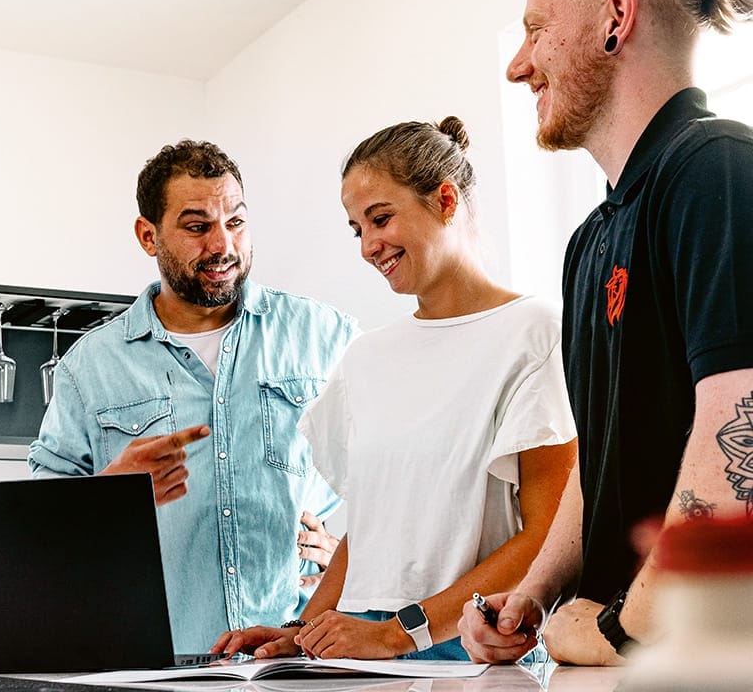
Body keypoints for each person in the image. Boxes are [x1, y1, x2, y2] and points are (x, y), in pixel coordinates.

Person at [459, 0, 753, 667]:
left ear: (616, 19)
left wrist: (624, 630)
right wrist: (533, 594)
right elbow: (602, 462)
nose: (519, 66)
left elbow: (744, 432)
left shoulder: (717, 170)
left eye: (535, 31)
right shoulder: (589, 241)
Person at [213, 117, 577, 661]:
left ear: (446, 200)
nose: (367, 247)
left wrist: (400, 633)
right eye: (357, 229)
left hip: (469, 648)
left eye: (380, 218)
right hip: (356, 649)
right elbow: (368, 532)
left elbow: (549, 538)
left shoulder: (536, 333)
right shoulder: (365, 357)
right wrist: (302, 632)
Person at [28, 139, 358, 653]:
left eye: (236, 222)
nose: (223, 245)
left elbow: (394, 487)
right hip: (154, 666)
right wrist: (112, 492)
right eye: (198, 227)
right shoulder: (87, 368)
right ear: (148, 235)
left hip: (297, 661)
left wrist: (349, 563)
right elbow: (36, 530)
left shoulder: (327, 338)